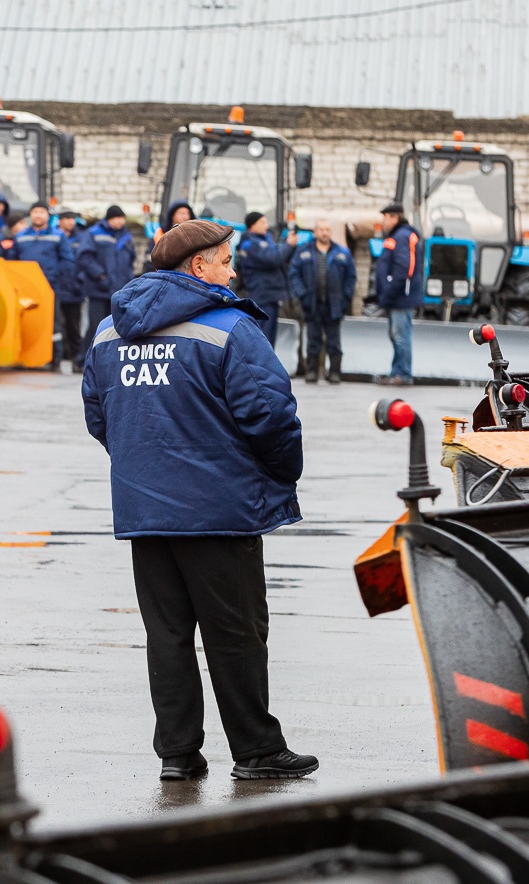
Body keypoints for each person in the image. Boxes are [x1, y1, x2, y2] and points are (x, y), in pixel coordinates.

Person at [81, 219, 317, 783]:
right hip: (219, 510)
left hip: (145, 511)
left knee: (167, 634)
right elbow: (271, 418)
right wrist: (281, 473)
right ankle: (257, 750)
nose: (233, 271)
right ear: (198, 267)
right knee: (235, 634)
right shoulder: (230, 328)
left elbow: (99, 417)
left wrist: (143, 465)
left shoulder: (110, 330)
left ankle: (178, 755)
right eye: (226, 259)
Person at [7, 202, 76, 367]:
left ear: (47, 215)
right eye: (35, 212)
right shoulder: (21, 236)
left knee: (53, 325)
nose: (38, 215)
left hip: (49, 288)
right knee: (26, 322)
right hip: (24, 290)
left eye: (42, 212)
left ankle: (53, 359)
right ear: (30, 215)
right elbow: (11, 261)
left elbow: (67, 261)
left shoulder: (58, 236)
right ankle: (23, 356)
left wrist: (53, 277)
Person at [289, 220, 356, 384]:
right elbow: (294, 274)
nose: (325, 233)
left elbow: (351, 278)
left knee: (334, 341)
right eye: (321, 230)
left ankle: (334, 373)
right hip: (312, 303)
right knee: (313, 340)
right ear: (315, 232)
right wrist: (302, 295)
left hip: (334, 305)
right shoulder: (303, 252)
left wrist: (345, 298)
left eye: (327, 229)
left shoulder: (342, 252)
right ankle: (312, 372)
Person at [77, 205, 136, 370]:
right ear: (109, 219)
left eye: (121, 217)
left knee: (116, 328)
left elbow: (130, 261)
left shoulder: (126, 236)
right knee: (96, 326)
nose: (119, 221)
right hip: (98, 289)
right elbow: (84, 257)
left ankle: (108, 363)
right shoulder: (94, 233)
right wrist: (100, 276)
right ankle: (83, 360)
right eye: (116, 218)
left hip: (120, 291)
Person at [375, 202, 423, 385]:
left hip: (400, 297)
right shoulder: (397, 236)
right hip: (397, 296)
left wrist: (389, 290)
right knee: (397, 335)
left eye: (385, 217)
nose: (383, 221)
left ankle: (403, 374)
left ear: (394, 217)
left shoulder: (402, 236)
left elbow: (404, 267)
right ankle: (396, 371)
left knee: (401, 336)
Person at [237, 211, 298, 345]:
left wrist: (284, 242)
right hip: (261, 297)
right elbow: (273, 258)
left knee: (270, 339)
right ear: (252, 225)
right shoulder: (249, 244)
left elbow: (275, 253)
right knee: (262, 338)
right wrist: (288, 245)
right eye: (262, 222)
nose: (266, 225)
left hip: (271, 296)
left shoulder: (265, 240)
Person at [57, 211, 91, 373]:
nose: (70, 222)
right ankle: (58, 356)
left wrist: (80, 281)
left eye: (72, 219)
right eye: (67, 219)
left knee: (73, 325)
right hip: (57, 287)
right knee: (57, 325)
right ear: (60, 221)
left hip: (74, 289)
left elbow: (84, 262)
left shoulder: (81, 238)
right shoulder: (55, 236)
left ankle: (77, 359)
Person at [141, 199, 195, 274]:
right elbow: (150, 260)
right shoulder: (160, 234)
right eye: (181, 213)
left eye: (187, 213)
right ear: (173, 216)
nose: (185, 217)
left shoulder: (194, 236)